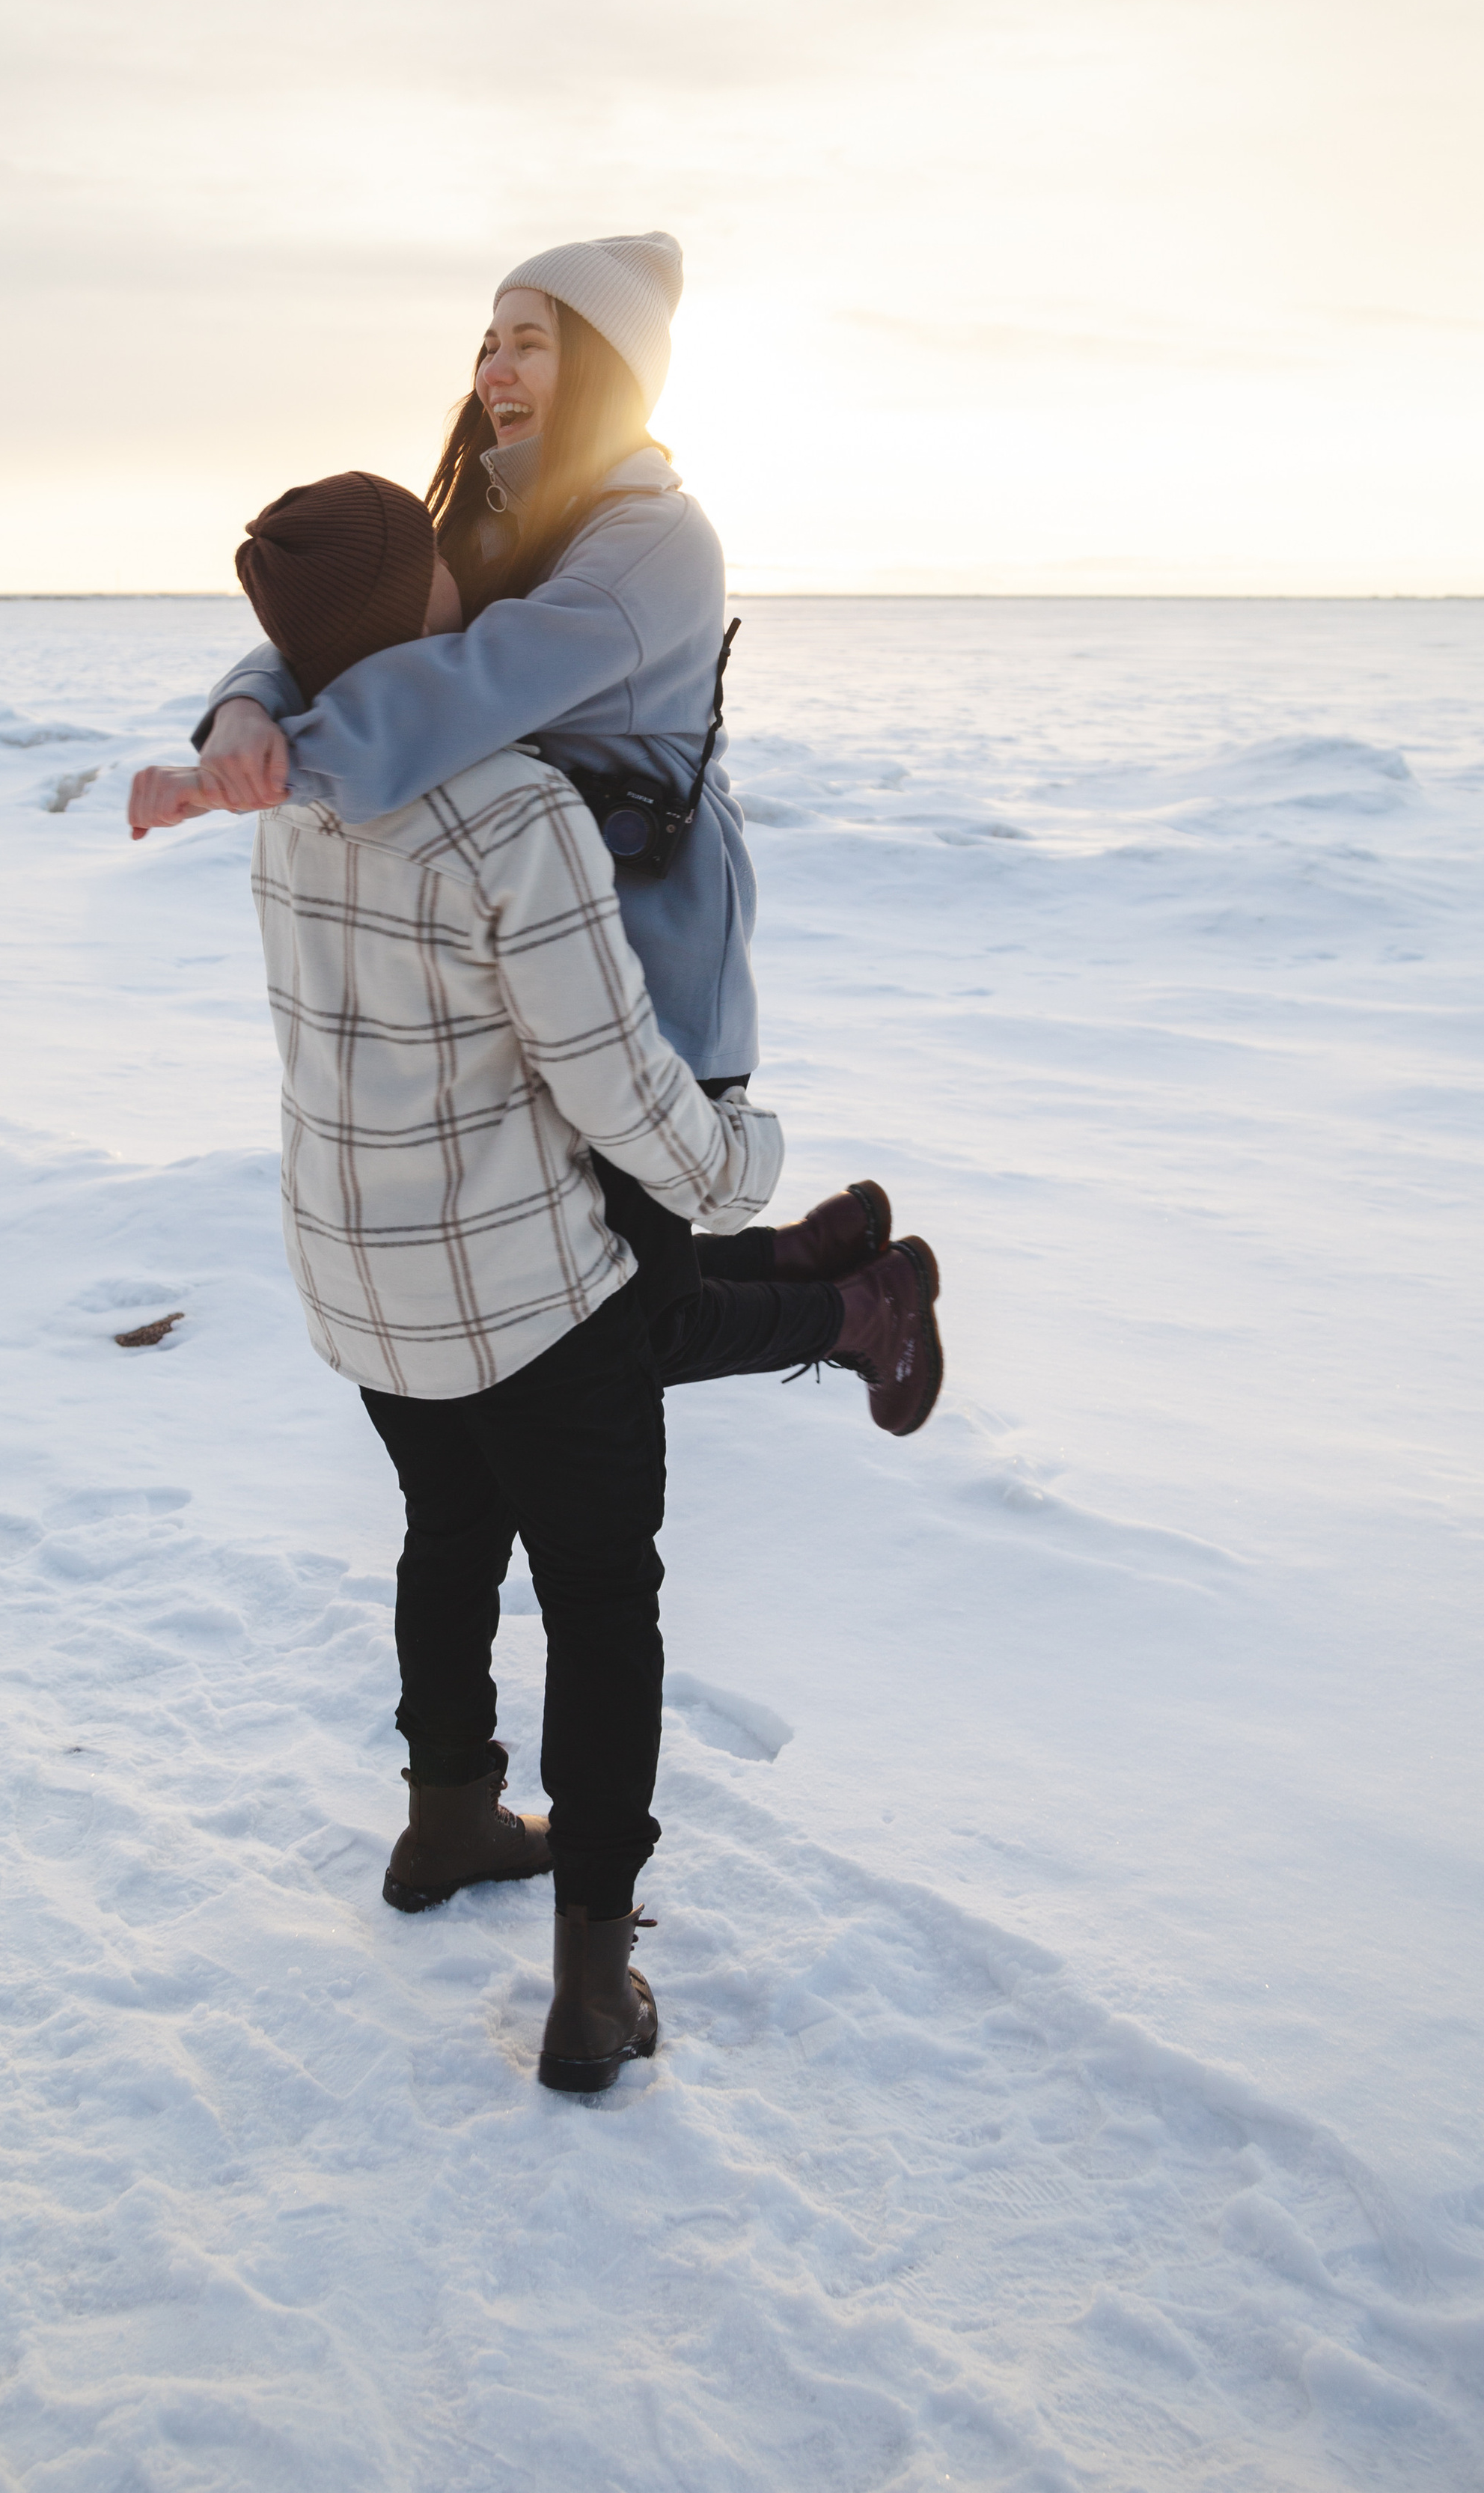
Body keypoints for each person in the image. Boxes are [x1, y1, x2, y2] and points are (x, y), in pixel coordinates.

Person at [130, 469, 940, 2093]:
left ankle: (442, 1823)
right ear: (422, 594)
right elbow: (614, 1086)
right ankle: (589, 1992)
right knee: (599, 1604)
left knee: (446, 1529)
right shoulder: (507, 813)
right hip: (517, 1296)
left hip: (360, 1284)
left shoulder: (282, 795)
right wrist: (746, 1163)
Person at [128, 232, 945, 1437]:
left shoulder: (655, 540)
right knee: (591, 1267)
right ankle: (808, 1254)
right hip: (535, 956)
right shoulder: (490, 514)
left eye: (531, 343)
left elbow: (472, 677)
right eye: (488, 343)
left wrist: (261, 773)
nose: (495, 369)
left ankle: (870, 1307)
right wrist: (247, 707)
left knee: (628, 1328)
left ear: (609, 367)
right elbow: (358, 625)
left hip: (649, 953)